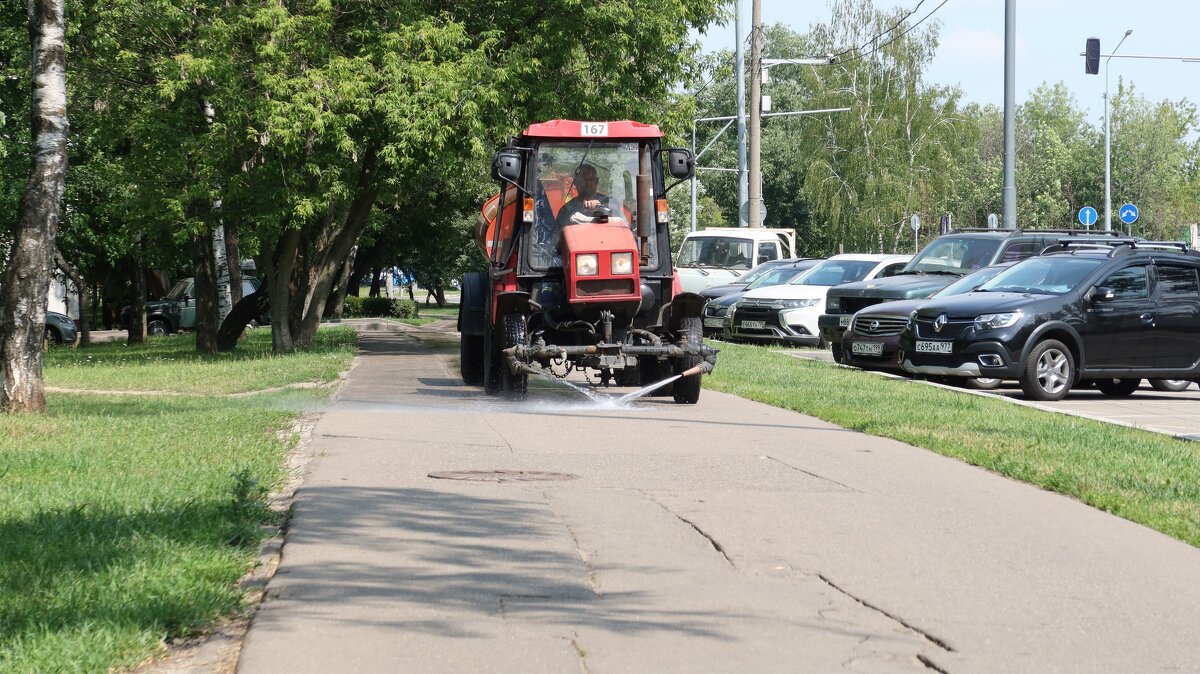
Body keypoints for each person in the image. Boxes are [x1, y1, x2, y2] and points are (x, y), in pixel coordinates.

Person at [555, 164, 610, 228]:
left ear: (597, 181)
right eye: (582, 180)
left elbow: (617, 223)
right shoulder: (566, 209)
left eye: (590, 179)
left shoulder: (608, 202)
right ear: (575, 183)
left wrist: (600, 208)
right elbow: (558, 235)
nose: (586, 183)